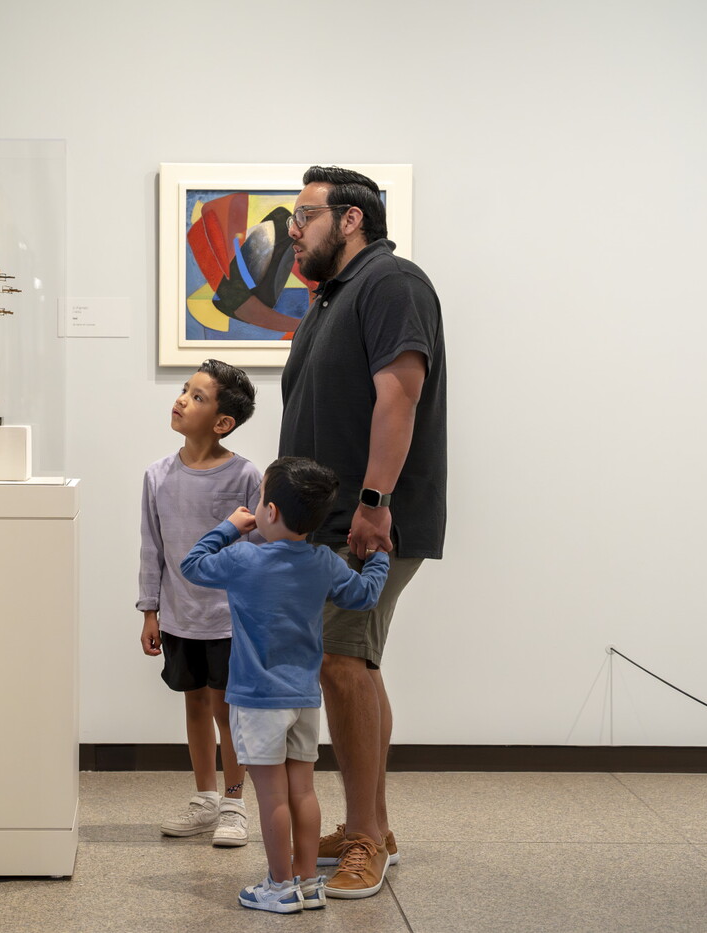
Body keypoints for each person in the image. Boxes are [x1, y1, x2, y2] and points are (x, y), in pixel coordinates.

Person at [279, 165, 447, 898]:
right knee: (352, 663)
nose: (292, 228)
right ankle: (371, 821)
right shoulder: (330, 300)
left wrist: (375, 502)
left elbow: (399, 393)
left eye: (304, 214)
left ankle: (368, 837)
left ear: (350, 220)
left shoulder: (391, 282)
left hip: (369, 517)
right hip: (335, 518)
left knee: (344, 662)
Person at [181, 456, 389, 913]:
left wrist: (230, 527)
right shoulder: (323, 563)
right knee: (303, 791)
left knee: (272, 796)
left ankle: (279, 886)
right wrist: (380, 559)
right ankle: (307, 881)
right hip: (303, 700)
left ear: (269, 511)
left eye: (258, 501)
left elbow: (192, 565)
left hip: (258, 702)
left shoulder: (242, 557)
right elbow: (365, 596)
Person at [137, 358, 261, 846]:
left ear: (223, 422)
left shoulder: (246, 476)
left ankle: (234, 803)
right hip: (179, 616)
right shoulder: (156, 475)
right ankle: (205, 799)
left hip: (230, 620)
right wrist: (150, 609)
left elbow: (257, 552)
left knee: (227, 712)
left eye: (198, 396)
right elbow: (152, 546)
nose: (182, 399)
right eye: (185, 390)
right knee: (193, 705)